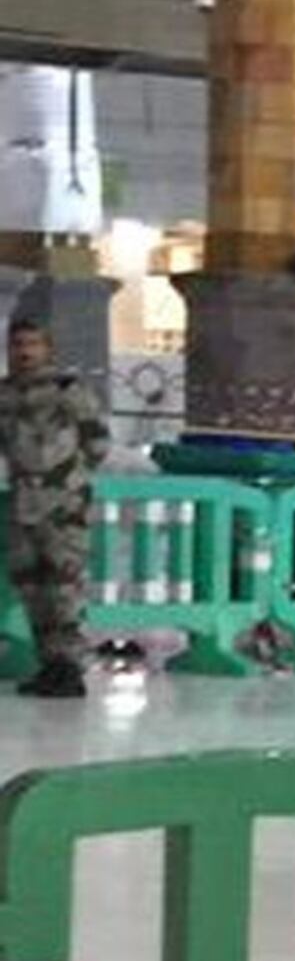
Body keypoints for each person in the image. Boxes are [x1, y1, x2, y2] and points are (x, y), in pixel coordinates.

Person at [3, 300, 107, 701]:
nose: (25, 352)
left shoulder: (68, 391)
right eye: (18, 345)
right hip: (23, 501)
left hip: (63, 503)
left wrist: (68, 481)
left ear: (49, 348)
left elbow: (96, 442)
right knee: (32, 585)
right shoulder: (6, 395)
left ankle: (69, 666)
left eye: (33, 344)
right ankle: (49, 664)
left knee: (64, 584)